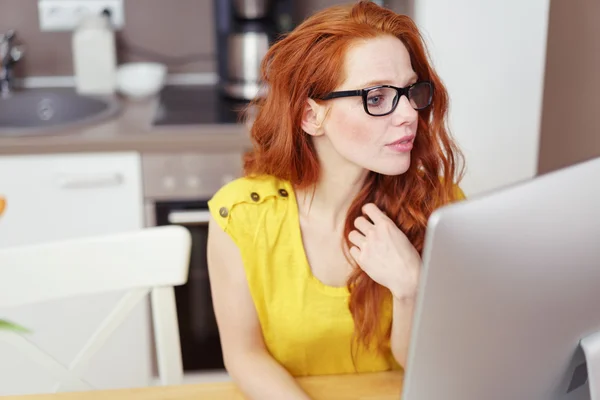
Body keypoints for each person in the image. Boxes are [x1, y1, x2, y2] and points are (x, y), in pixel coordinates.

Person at [206, 1, 466, 398]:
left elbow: (426, 367)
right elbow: (245, 356)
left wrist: (410, 288)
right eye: (377, 98)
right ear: (311, 116)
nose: (410, 114)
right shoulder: (241, 216)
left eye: (411, 91)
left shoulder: (439, 206)